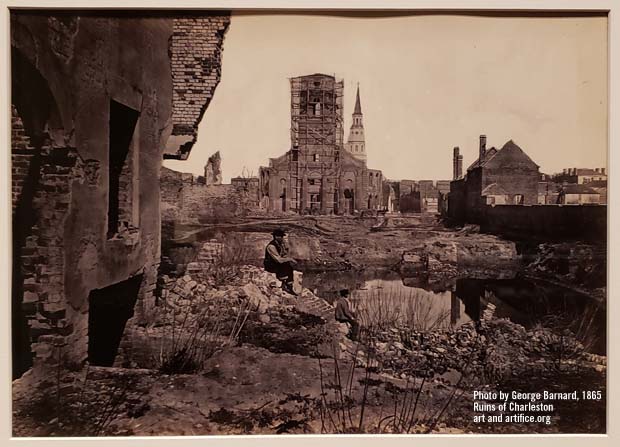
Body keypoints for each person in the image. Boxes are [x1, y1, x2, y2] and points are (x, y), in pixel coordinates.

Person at [264, 228, 298, 295]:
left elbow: (284, 254)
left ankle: (289, 286)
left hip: (277, 263)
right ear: (276, 237)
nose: (282, 238)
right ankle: (284, 283)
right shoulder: (271, 246)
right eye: (280, 236)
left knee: (289, 266)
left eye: (282, 236)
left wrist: (286, 248)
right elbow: (278, 260)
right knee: (285, 265)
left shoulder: (280, 244)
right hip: (271, 264)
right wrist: (290, 259)